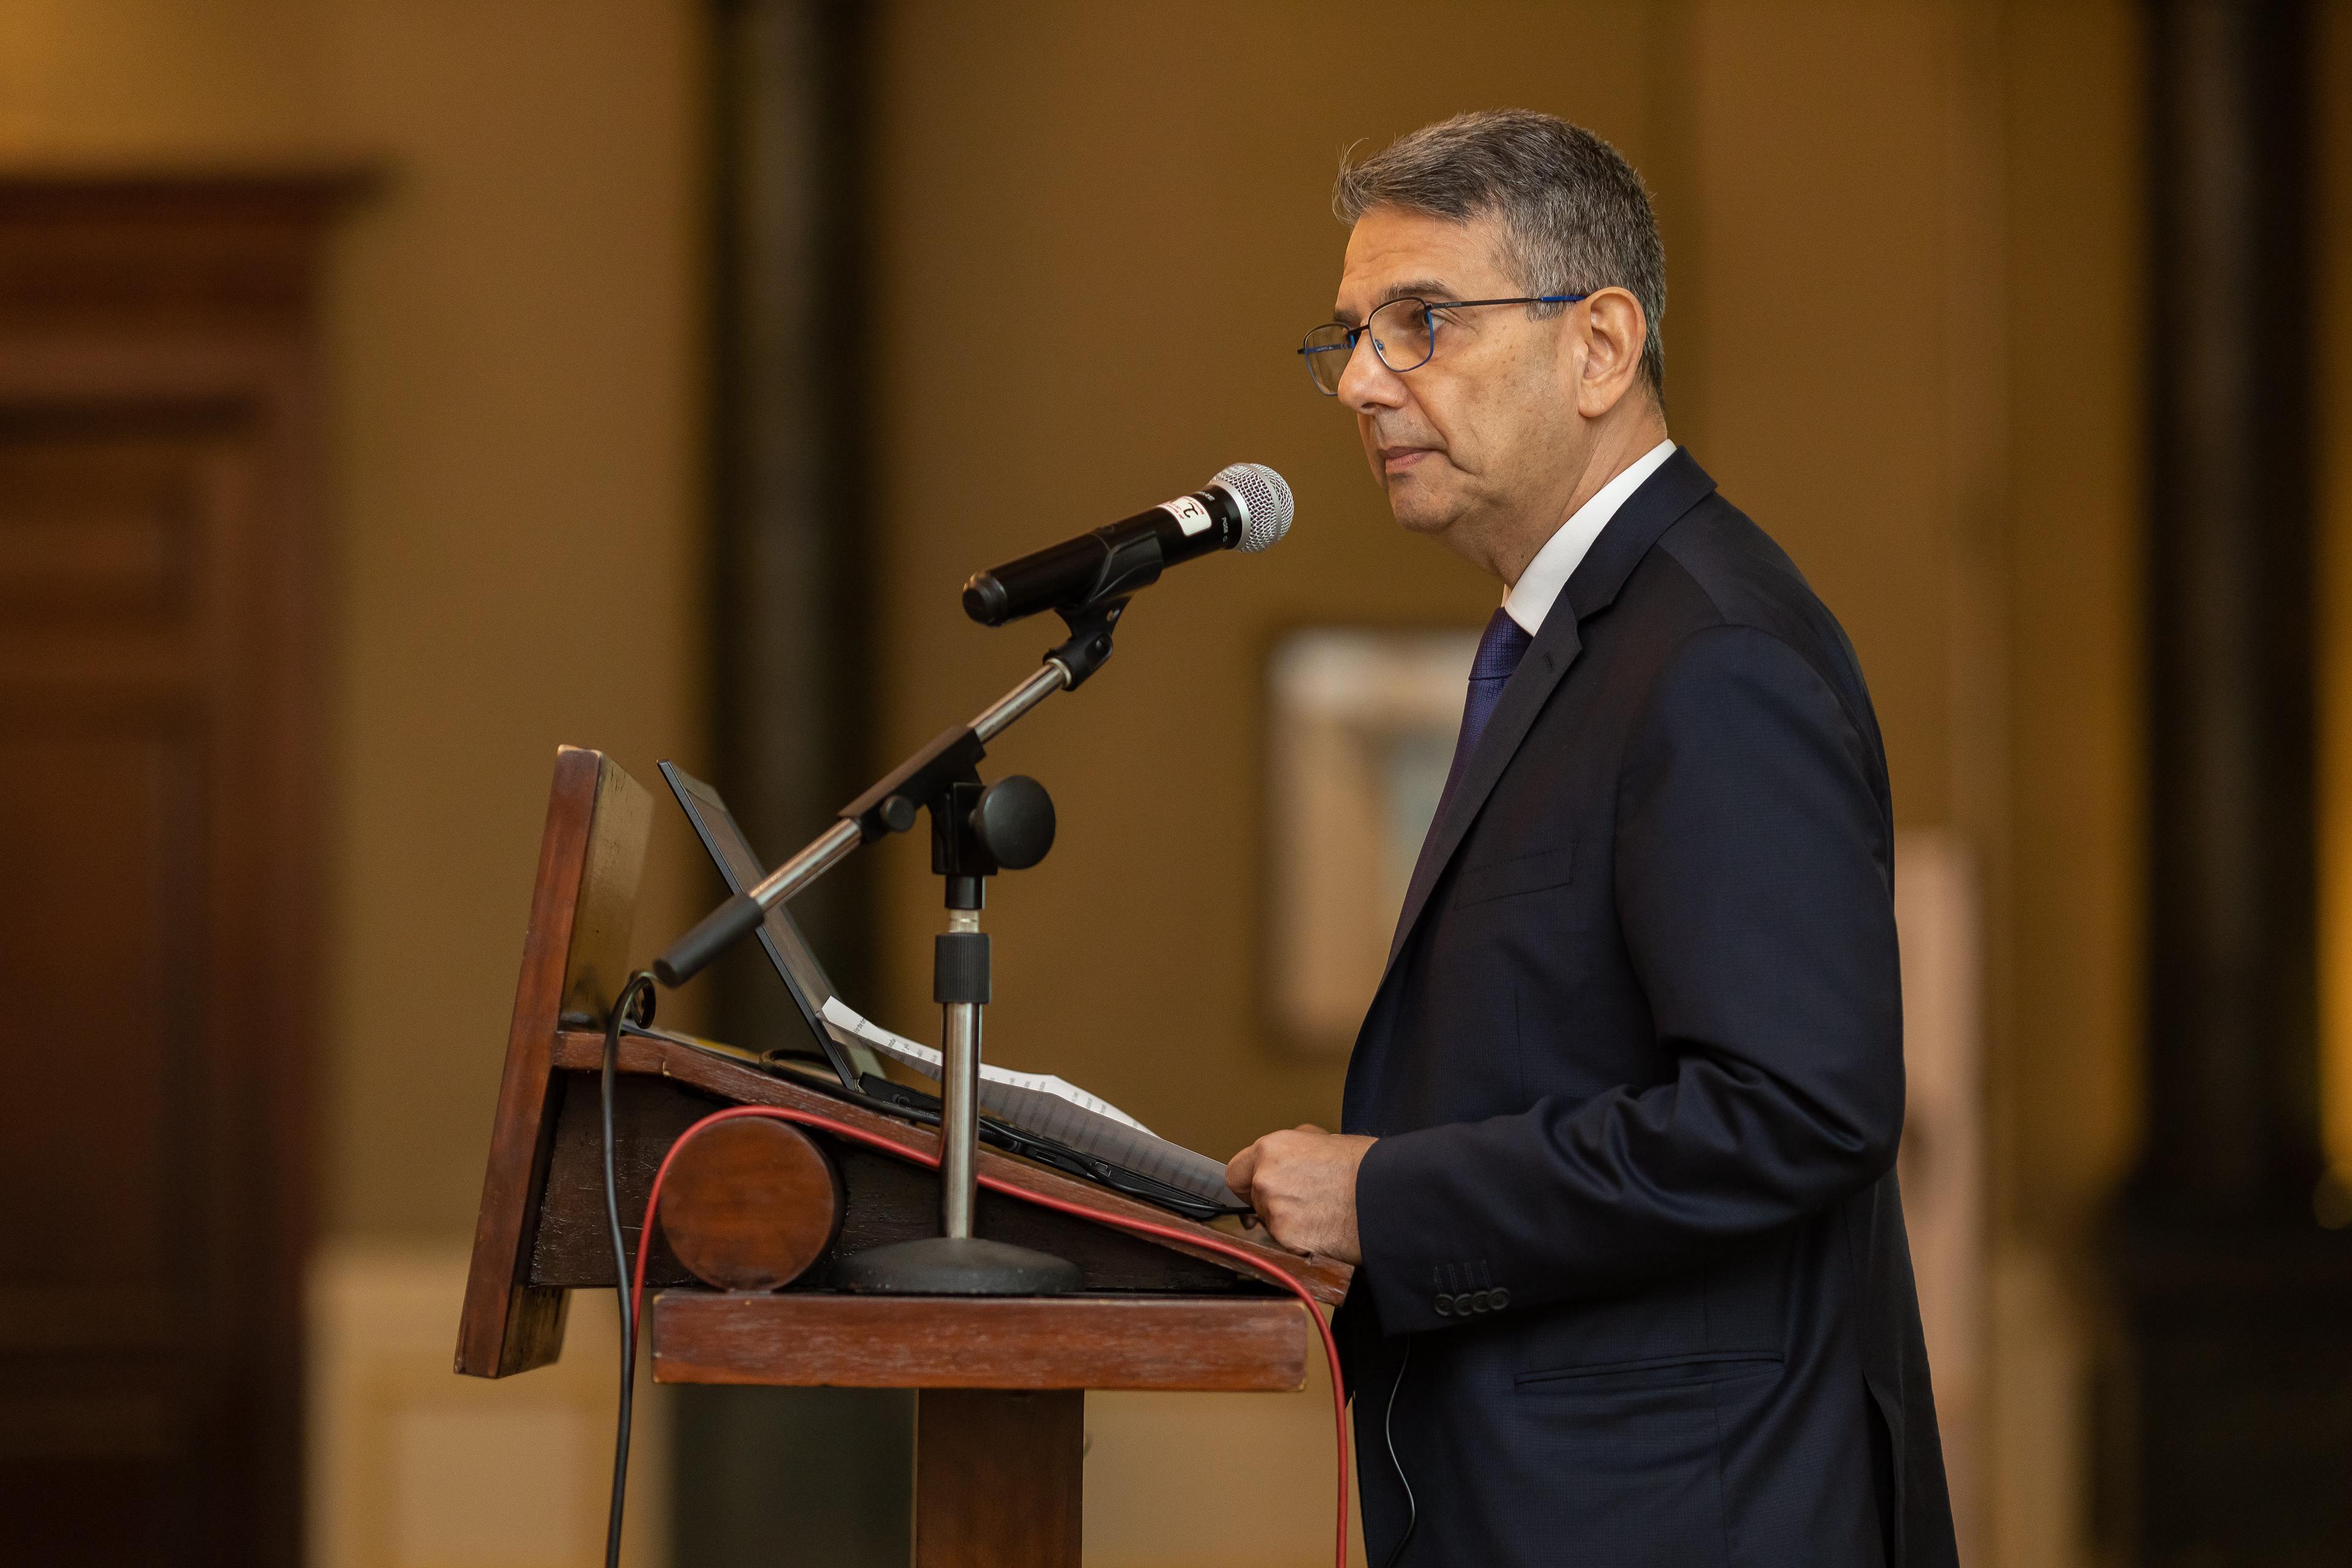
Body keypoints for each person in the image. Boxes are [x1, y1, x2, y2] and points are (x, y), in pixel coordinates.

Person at [1224, 110, 1957, 1568]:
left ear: (1602, 346)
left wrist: (1382, 1195)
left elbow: (1795, 1109)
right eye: (1353, 335)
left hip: (1684, 1515)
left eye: (1421, 322)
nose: (1361, 380)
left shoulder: (1712, 652)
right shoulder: (1592, 640)